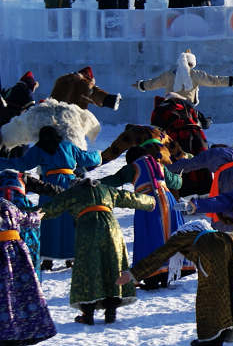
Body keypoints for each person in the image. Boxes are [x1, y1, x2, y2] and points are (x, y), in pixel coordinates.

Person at [117, 219, 233, 346]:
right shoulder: (209, 231)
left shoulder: (180, 237)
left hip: (212, 250)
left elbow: (160, 255)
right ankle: (232, 327)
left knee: (210, 294)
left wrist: (132, 274)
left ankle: (210, 340)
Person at [41, 178, 156, 324]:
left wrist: (25, 215)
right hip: (111, 229)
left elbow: (51, 208)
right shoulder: (106, 189)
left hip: (87, 230)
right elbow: (129, 197)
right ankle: (111, 312)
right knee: (113, 266)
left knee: (87, 268)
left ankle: (87, 314)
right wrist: (150, 201)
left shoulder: (73, 193)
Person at [0, 126, 101, 270]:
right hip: (69, 185)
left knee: (48, 220)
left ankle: (48, 260)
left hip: (49, 186)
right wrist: (99, 155)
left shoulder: (39, 148)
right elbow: (86, 159)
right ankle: (71, 258)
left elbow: (22, 163)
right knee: (70, 221)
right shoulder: (68, 145)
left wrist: (2, 161)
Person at [99, 146, 188, 290]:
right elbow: (176, 183)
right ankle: (168, 274)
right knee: (169, 236)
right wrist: (179, 177)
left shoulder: (133, 167)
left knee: (149, 237)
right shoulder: (159, 165)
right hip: (169, 201)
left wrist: (95, 183)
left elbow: (115, 179)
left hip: (148, 203)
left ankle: (151, 276)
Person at [0, 196, 56, 346]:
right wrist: (37, 216)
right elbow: (25, 219)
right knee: (17, 294)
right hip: (15, 253)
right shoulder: (6, 204)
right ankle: (16, 331)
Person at [0, 169, 61, 274]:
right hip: (22, 213)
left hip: (3, 220)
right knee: (29, 247)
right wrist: (62, 192)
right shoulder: (22, 177)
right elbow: (45, 188)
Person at [133, 51, 233, 106]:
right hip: (187, 105)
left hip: (169, 104)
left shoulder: (168, 75)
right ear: (192, 63)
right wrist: (232, 81)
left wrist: (140, 85)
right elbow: (214, 81)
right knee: (202, 123)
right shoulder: (195, 74)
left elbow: (153, 83)